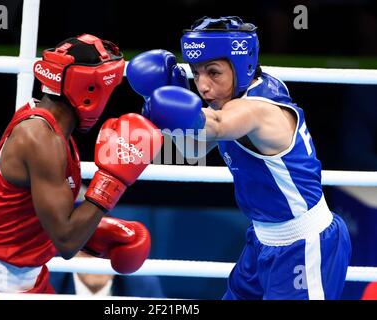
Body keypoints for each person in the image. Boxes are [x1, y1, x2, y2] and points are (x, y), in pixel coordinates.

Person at [126, 16, 351, 300]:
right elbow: (195, 150)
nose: (203, 86)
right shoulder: (241, 94)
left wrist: (167, 102)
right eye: (196, 74)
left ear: (241, 67)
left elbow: (217, 124)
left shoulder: (257, 111)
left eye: (213, 72)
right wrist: (173, 104)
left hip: (303, 244)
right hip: (261, 239)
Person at [0, 34, 163, 293]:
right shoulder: (40, 138)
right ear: (90, 90)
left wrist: (97, 232)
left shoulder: (54, 130)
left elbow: (46, 219)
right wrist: (112, 181)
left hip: (30, 280)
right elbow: (66, 241)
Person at [50, 251, 165, 298]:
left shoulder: (143, 287)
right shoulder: (48, 283)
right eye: (88, 253)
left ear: (120, 257)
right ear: (73, 253)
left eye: (107, 255)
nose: (97, 263)